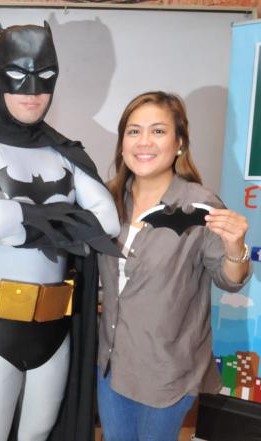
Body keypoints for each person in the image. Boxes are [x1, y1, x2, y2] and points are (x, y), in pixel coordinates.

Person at [0, 18, 121, 441]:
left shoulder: (66, 152)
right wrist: (69, 221)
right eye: (16, 76)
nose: (32, 91)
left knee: (39, 435)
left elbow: (108, 221)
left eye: (45, 77)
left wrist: (23, 218)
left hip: (55, 329)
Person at [97, 91, 252, 441]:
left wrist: (235, 248)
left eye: (158, 131)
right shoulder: (107, 200)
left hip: (166, 370)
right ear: (122, 143)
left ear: (179, 143)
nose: (144, 142)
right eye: (134, 131)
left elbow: (230, 281)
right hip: (111, 363)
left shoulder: (199, 205)